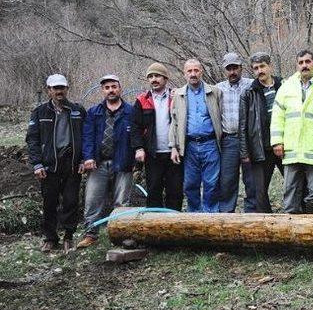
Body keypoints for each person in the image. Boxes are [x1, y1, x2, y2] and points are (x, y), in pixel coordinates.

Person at [270, 50, 313, 214]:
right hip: (292, 149)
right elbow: (278, 117)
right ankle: (290, 228)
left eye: (308, 62)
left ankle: (310, 225)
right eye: (301, 63)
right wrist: (277, 141)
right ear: (297, 65)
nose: (304, 65)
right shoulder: (286, 87)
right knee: (290, 191)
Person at [26, 74, 86, 252]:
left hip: (72, 163)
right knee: (49, 202)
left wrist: (83, 159)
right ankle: (50, 238)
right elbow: (32, 139)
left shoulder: (78, 111)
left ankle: (68, 236)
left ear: (67, 89)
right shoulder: (39, 112)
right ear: (49, 90)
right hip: (49, 164)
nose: (59, 91)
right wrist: (37, 164)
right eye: (55, 88)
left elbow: (86, 137)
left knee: (70, 201)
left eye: (62, 87)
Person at [77, 74, 134, 248]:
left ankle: (121, 235)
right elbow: (87, 136)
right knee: (93, 200)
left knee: (122, 202)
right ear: (102, 90)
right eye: (107, 87)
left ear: (120, 88)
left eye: (114, 86)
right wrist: (88, 157)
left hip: (123, 162)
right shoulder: (94, 112)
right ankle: (90, 234)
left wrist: (135, 158)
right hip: (98, 163)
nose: (111, 90)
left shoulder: (131, 111)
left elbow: (137, 136)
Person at [169, 59, 223, 213]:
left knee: (211, 183)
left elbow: (222, 115)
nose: (193, 74)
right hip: (189, 145)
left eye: (196, 70)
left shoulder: (214, 92)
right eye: (189, 71)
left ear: (201, 72)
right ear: (184, 74)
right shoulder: (179, 95)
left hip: (211, 143)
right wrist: (173, 146)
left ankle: (210, 215)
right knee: (190, 183)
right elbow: (174, 122)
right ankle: (194, 214)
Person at [131, 62, 183, 211]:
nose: (154, 79)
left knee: (175, 191)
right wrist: (139, 148)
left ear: (165, 78)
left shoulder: (176, 97)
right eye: (151, 76)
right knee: (154, 191)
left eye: (157, 76)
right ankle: (154, 227)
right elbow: (135, 127)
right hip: (152, 154)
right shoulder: (142, 100)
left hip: (174, 153)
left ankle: (174, 225)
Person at [239, 52, 283, 213]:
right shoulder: (249, 92)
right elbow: (242, 124)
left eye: (262, 66)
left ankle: (299, 220)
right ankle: (266, 224)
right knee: (260, 191)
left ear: (270, 66)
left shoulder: (284, 86)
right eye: (256, 68)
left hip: (284, 145)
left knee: (296, 185)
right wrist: (244, 152)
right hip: (261, 148)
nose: (259, 71)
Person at [215, 52, 257, 213]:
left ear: (241, 68)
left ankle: (252, 212)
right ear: (224, 71)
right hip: (229, 140)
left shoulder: (252, 85)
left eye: (235, 68)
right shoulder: (218, 89)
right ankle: (226, 213)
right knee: (227, 179)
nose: (232, 72)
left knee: (251, 179)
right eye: (229, 69)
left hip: (249, 139)